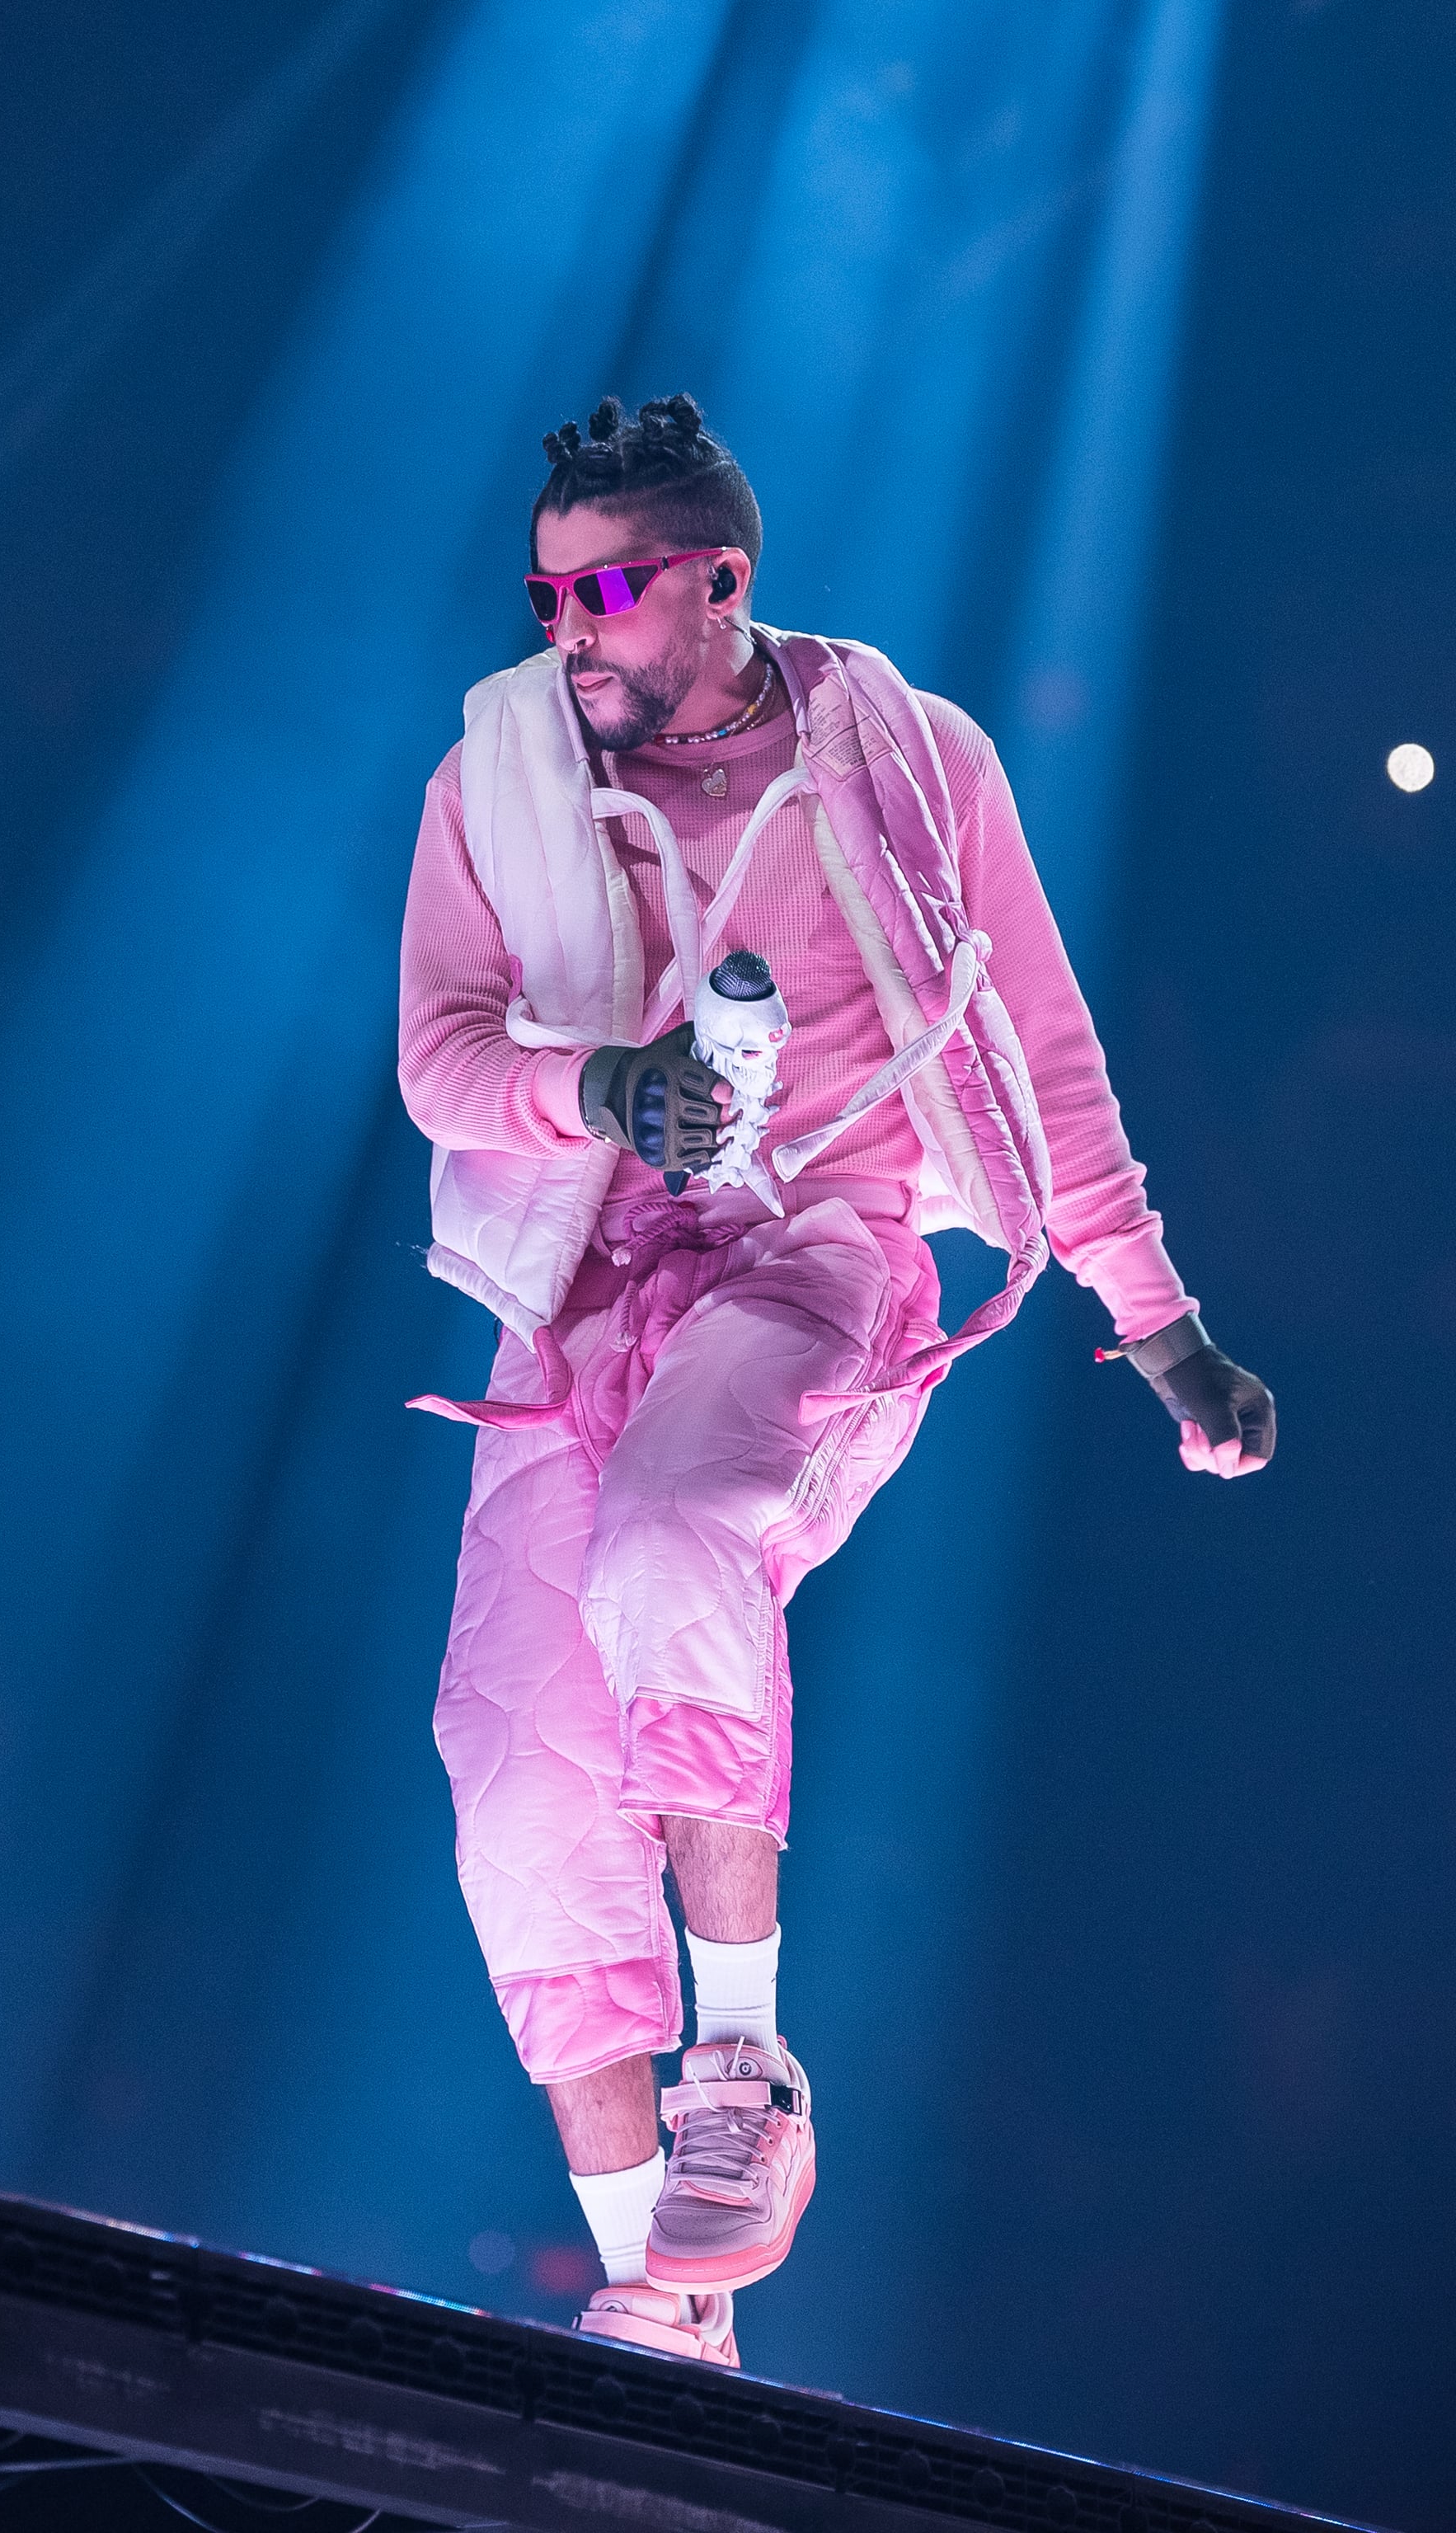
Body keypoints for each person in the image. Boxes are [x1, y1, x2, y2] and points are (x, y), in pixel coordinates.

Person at [397, 392, 1273, 2370]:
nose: (568, 629)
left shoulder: (903, 752)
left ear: (721, 580)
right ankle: (670, 2302)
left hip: (821, 1261)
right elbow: (442, 1058)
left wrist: (1158, 1327)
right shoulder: (500, 777)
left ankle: (744, 2062)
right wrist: (599, 1086)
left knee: (677, 1545)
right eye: (543, 592)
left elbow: (1040, 1050)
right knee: (516, 1792)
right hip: (580, 1301)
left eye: (607, 590)